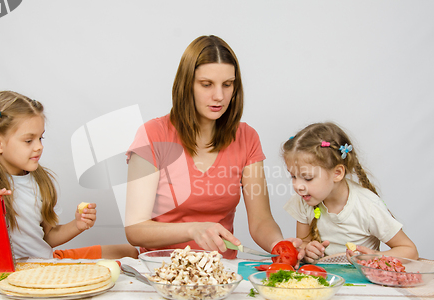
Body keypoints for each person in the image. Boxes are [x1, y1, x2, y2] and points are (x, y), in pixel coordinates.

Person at [124, 35, 302, 260]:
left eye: (227, 84)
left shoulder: (247, 137)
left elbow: (261, 221)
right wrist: (192, 229)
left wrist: (280, 245)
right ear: (186, 84)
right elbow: (135, 229)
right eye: (207, 84)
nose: (219, 96)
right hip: (162, 270)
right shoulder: (152, 135)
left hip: (220, 273)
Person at [0, 91, 138, 262]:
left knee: (129, 252)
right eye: (29, 140)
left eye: (40, 138)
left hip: (46, 261)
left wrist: (77, 225)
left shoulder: (40, 181)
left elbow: (47, 237)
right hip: (17, 268)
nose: (39, 147)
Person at [282, 122, 418, 263]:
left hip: (362, 283)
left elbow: (409, 250)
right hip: (324, 281)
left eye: (307, 178)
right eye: (293, 176)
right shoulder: (303, 200)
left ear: (337, 173)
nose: (297, 186)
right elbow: (304, 243)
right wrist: (307, 251)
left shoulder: (367, 206)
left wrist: (374, 257)